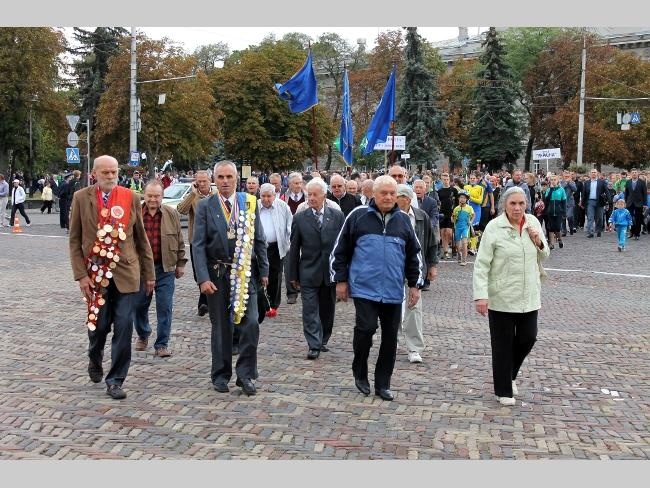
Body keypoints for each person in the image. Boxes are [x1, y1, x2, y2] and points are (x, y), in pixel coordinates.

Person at [69, 155, 155, 400]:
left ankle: (116, 380)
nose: (110, 176)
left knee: (124, 327)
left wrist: (149, 274)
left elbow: (141, 239)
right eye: (105, 172)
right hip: (95, 275)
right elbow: (74, 240)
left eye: (114, 172)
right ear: (94, 174)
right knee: (99, 327)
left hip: (127, 274)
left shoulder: (130, 197)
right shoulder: (81, 197)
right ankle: (95, 356)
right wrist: (81, 276)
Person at [330, 175, 422, 401]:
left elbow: (414, 255)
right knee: (366, 329)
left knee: (390, 339)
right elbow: (340, 250)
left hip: (393, 290)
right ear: (374, 194)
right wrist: (340, 280)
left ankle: (383, 383)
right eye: (384, 193)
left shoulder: (403, 221)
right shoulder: (358, 216)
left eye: (392, 193)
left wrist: (415, 285)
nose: (389, 197)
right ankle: (360, 370)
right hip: (364, 288)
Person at [191, 161, 269, 396]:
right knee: (222, 327)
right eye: (221, 177)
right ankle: (221, 374)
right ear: (214, 179)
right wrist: (202, 278)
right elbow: (198, 245)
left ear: (237, 179)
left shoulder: (249, 202)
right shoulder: (205, 205)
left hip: (245, 272)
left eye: (229, 177)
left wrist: (264, 271)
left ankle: (246, 375)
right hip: (217, 274)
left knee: (251, 322)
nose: (225, 181)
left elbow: (259, 239)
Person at [473, 186, 549, 406]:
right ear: (504, 205)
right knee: (502, 345)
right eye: (513, 204)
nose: (517, 208)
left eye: (521, 203)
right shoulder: (494, 227)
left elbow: (545, 254)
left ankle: (510, 374)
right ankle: (503, 390)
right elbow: (482, 264)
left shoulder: (533, 222)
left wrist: (538, 241)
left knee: (528, 337)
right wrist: (481, 295)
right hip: (501, 296)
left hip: (529, 294)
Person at [288, 178, 344, 359]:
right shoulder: (300, 218)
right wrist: (292, 275)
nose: (311, 198)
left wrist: (343, 274)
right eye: (308, 195)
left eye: (314, 195)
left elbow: (343, 246)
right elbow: (294, 248)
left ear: (324, 196)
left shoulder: (337, 216)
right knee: (310, 310)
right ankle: (313, 344)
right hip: (308, 272)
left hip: (330, 273)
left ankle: (323, 339)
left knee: (327, 310)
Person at [133, 181, 187, 357]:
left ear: (162, 196)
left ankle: (162, 344)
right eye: (150, 195)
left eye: (156, 196)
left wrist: (181, 263)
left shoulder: (171, 214)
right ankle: (143, 333)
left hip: (165, 268)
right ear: (144, 195)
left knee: (165, 307)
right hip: (141, 269)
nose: (153, 199)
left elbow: (179, 240)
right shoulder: (135, 213)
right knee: (138, 305)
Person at [395, 184, 437, 364]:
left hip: (415, 268)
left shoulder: (421, 216)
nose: (396, 200)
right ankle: (393, 341)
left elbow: (431, 242)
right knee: (393, 307)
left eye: (399, 197)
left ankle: (414, 347)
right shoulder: (388, 216)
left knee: (414, 307)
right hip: (393, 268)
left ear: (408, 199)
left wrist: (432, 265)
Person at [177, 170, 216, 317]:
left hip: (213, 240)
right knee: (197, 273)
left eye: (204, 181)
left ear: (210, 181)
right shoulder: (193, 196)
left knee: (211, 271)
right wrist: (192, 194)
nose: (202, 184)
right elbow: (181, 210)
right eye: (199, 181)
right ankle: (205, 301)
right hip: (196, 240)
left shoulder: (216, 195)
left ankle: (204, 302)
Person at [258, 183, 293, 318]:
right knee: (259, 274)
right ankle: (261, 303)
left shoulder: (283, 206)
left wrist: (287, 243)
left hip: (276, 246)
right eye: (263, 196)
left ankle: (273, 304)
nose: (266, 199)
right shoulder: (255, 206)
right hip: (259, 247)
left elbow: (290, 225)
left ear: (274, 196)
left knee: (275, 276)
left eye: (269, 196)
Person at [280, 172, 305, 305]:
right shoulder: (283, 197)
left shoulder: (307, 196)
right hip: (289, 234)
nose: (298, 185)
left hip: (305, 232)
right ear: (289, 184)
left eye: (300, 183)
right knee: (289, 262)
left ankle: (304, 287)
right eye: (296, 183)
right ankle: (291, 292)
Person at [580, 168, 608, 238]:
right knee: (590, 217)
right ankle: (590, 232)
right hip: (590, 202)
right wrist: (582, 203)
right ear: (590, 174)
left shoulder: (602, 182)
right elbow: (584, 194)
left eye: (594, 172)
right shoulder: (586, 183)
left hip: (600, 201)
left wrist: (608, 201)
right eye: (592, 172)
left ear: (597, 173)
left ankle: (598, 230)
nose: (593, 174)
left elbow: (607, 192)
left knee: (600, 218)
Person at [543, 174, 567, 250]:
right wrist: (551, 190)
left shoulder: (561, 190)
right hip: (550, 211)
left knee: (557, 227)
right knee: (551, 228)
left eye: (554, 180)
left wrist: (564, 212)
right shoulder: (548, 190)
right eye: (552, 180)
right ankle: (552, 244)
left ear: (557, 181)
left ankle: (560, 239)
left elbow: (564, 202)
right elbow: (546, 200)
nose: (553, 181)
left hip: (558, 211)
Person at [451, 191, 474, 266]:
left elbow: (473, 215)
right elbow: (452, 217)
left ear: (467, 199)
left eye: (464, 198)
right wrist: (452, 219)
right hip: (457, 227)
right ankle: (459, 254)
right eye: (461, 197)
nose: (462, 199)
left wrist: (471, 221)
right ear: (458, 198)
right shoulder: (456, 208)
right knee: (458, 245)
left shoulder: (469, 208)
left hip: (465, 227)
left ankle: (464, 259)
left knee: (464, 243)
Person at [624, 168, 647, 241]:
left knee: (638, 219)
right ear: (631, 174)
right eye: (633, 172)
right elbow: (626, 193)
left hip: (639, 203)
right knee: (630, 218)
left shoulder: (642, 182)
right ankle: (632, 232)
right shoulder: (628, 182)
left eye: (635, 172)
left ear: (638, 173)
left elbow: (644, 193)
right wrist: (625, 201)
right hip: (630, 203)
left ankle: (637, 234)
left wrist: (645, 203)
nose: (634, 173)